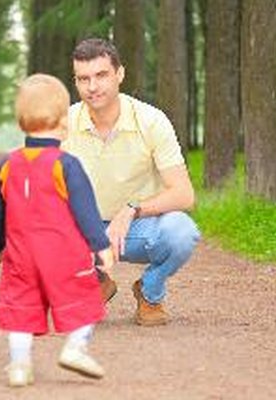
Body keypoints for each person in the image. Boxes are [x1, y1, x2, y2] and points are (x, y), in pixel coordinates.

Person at [0, 74, 114, 387]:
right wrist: (101, 246)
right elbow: (86, 212)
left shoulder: (9, 164)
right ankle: (75, 348)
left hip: (20, 257)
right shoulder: (66, 164)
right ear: (63, 122)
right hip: (64, 256)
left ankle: (18, 365)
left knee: (21, 309)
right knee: (83, 301)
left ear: (21, 121)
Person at [63, 38, 201, 326]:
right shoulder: (64, 123)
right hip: (85, 232)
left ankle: (150, 292)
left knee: (181, 232)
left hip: (137, 228)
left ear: (120, 74)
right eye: (83, 78)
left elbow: (184, 195)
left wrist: (132, 209)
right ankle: (94, 282)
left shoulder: (151, 120)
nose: (92, 87)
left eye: (101, 75)